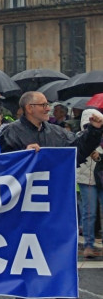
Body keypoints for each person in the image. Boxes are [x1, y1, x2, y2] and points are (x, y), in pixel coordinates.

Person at [0, 91, 103, 163]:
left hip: (53, 192)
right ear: (29, 108)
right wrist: (24, 154)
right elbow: (4, 164)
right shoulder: (11, 132)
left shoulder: (57, 132)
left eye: (47, 104)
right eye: (43, 105)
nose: (48, 109)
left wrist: (94, 129)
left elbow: (79, 149)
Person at [76, 109, 103, 258]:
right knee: (89, 212)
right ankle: (88, 245)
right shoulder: (79, 138)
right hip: (86, 180)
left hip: (100, 178)